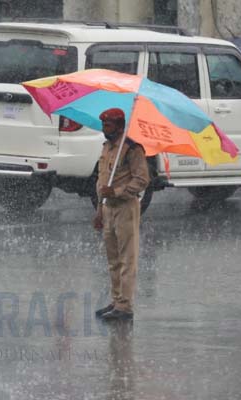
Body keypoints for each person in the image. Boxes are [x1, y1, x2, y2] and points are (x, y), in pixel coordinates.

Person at [92, 108, 150, 321]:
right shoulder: (107, 147)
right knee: (113, 258)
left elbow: (142, 179)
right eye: (103, 125)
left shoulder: (132, 149)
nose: (104, 129)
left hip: (126, 207)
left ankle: (125, 305)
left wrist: (117, 192)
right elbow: (101, 180)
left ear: (119, 126)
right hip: (108, 209)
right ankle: (116, 299)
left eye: (108, 126)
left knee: (127, 259)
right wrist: (99, 209)